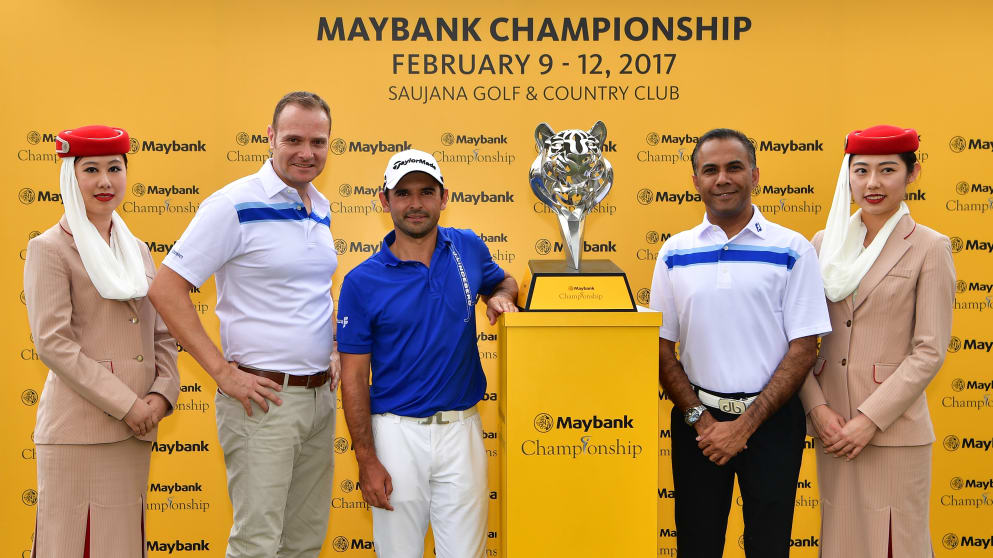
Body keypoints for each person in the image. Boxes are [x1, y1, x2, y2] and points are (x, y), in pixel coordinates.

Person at [147, 91, 338, 558]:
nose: (306, 153)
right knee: (256, 544)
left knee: (304, 541)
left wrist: (331, 348)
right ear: (270, 137)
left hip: (318, 400)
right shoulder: (232, 204)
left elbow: (309, 292)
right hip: (264, 402)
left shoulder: (320, 205)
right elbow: (166, 288)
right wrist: (223, 374)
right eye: (293, 139)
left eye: (318, 142)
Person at [650, 128, 832, 557]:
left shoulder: (793, 249)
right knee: (697, 544)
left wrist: (744, 426)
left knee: (769, 546)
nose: (722, 179)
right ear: (695, 182)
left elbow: (805, 348)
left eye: (734, 167)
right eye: (709, 170)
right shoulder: (673, 252)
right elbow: (660, 348)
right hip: (698, 425)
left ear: (755, 175)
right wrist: (702, 420)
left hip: (771, 424)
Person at [337, 149, 518, 558]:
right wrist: (366, 459)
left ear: (443, 197)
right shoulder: (360, 281)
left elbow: (503, 281)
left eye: (426, 191)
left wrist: (500, 298)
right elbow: (352, 379)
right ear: (385, 201)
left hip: (462, 431)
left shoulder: (467, 247)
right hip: (396, 435)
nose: (415, 203)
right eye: (403, 193)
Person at [24, 125, 180, 557]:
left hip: (136, 432)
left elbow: (162, 334)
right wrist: (128, 405)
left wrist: (161, 396)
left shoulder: (138, 250)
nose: (105, 181)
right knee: (74, 544)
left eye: (115, 168)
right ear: (69, 178)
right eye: (90, 169)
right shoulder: (50, 249)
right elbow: (54, 343)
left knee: (122, 546)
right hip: (79, 433)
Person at [799, 125, 954, 557]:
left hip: (893, 431)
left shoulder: (930, 247)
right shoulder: (823, 245)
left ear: (912, 174)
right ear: (847, 176)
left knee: (896, 546)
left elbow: (929, 350)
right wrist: (818, 409)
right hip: (833, 430)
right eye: (861, 170)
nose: (872, 183)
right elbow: (802, 341)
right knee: (841, 545)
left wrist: (869, 419)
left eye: (887, 170)